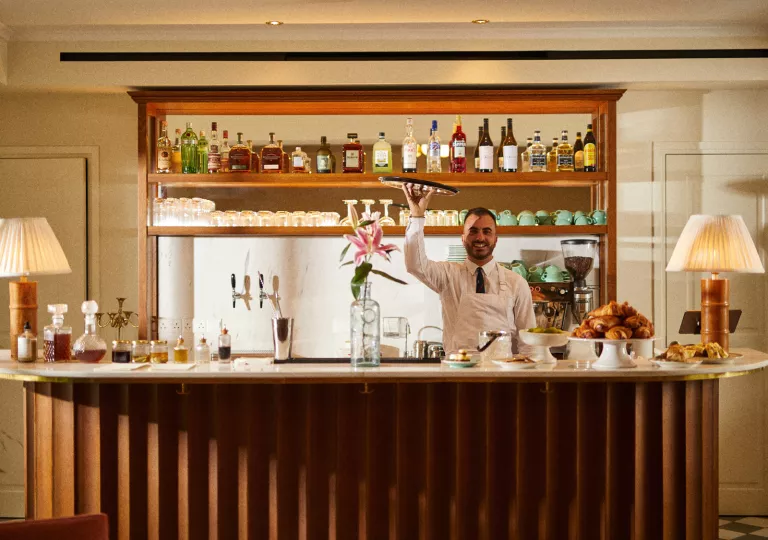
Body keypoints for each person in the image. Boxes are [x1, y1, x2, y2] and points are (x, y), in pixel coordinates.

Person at [402, 184, 535, 354]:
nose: (480, 237)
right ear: (463, 239)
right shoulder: (447, 275)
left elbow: (528, 342)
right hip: (457, 373)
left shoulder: (516, 283)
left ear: (495, 239)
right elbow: (415, 264)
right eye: (473, 231)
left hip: (502, 375)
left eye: (487, 232)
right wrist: (417, 216)